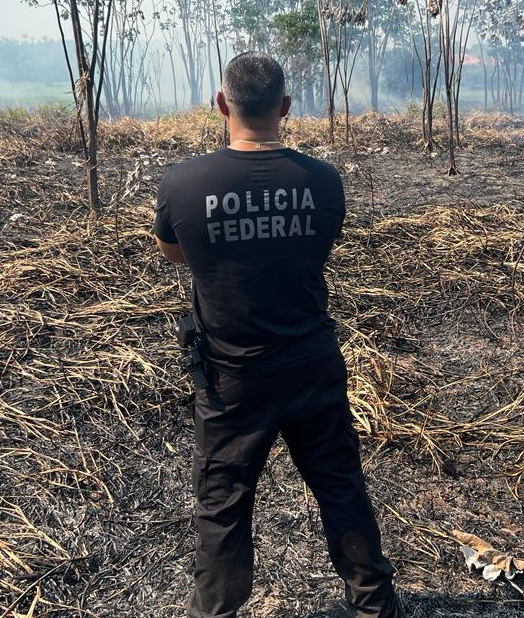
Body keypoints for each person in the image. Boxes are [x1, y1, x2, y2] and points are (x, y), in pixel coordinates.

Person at [153, 51, 400, 618]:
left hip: (232, 381)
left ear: (221, 105)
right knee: (340, 486)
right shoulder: (322, 182)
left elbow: (176, 254)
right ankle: (373, 606)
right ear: (285, 107)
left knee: (223, 506)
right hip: (312, 363)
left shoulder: (185, 184)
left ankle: (214, 613)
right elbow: (313, 248)